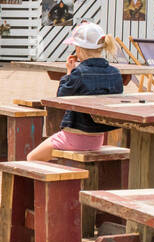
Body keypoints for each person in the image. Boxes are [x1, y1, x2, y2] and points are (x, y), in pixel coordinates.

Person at [27, 22, 123, 161]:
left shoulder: (79, 73)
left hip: (75, 136)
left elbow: (61, 97)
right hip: (98, 137)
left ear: (78, 49)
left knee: (32, 158)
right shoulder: (115, 73)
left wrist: (69, 72)